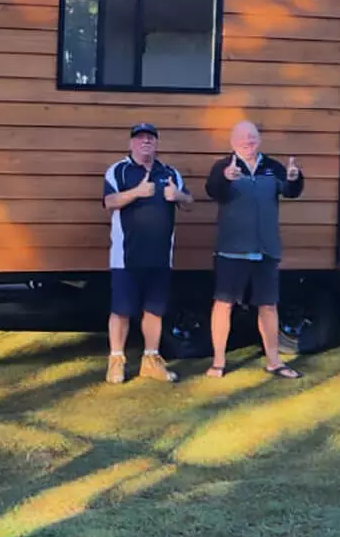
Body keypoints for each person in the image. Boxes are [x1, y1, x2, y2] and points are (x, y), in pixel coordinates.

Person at [204, 119, 304, 379]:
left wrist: (294, 179)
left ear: (259, 140)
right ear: (233, 142)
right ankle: (218, 362)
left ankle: (274, 361)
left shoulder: (272, 167)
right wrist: (225, 178)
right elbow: (213, 190)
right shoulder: (223, 167)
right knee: (224, 304)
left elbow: (291, 190)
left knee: (268, 306)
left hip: (265, 249)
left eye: (252, 137)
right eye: (243, 138)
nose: (248, 142)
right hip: (231, 250)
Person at [101, 122, 193, 384]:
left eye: (150, 138)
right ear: (131, 143)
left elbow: (189, 204)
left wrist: (178, 196)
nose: (145, 142)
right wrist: (137, 193)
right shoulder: (118, 170)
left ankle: (151, 360)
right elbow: (109, 202)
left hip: (161, 256)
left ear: (156, 143)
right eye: (140, 138)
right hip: (126, 257)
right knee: (121, 310)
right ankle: (116, 360)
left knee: (154, 310)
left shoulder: (169, 172)